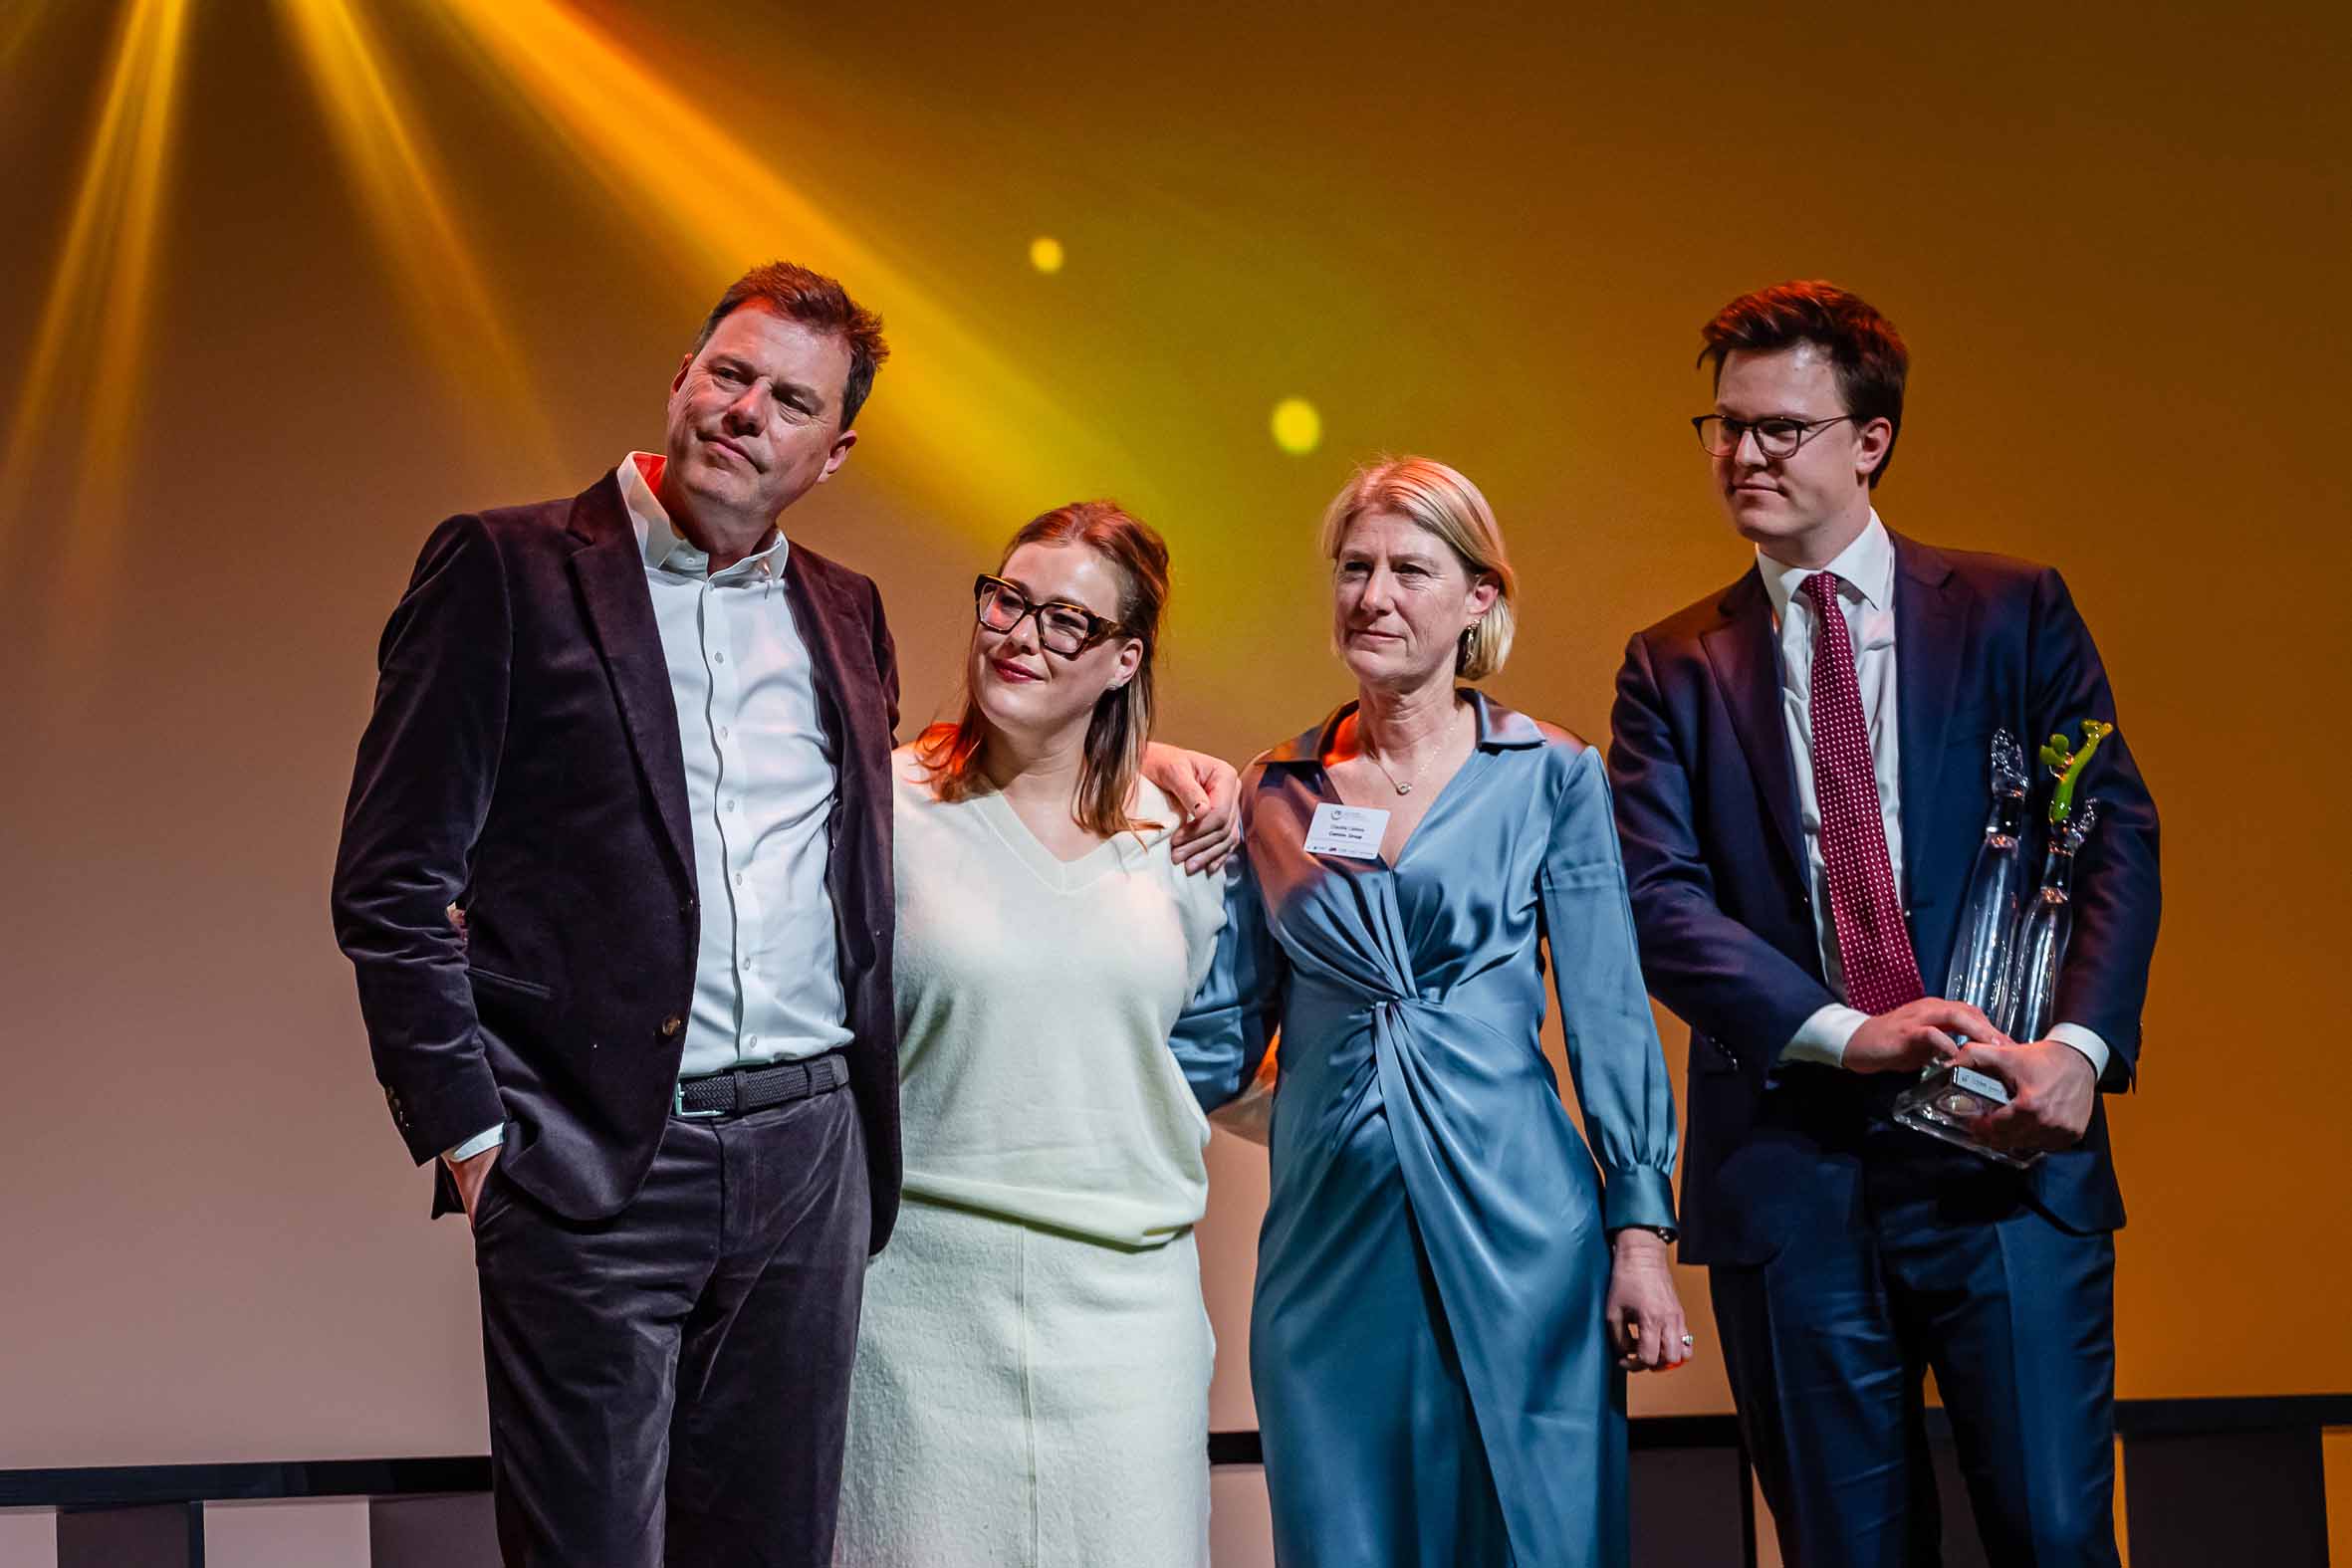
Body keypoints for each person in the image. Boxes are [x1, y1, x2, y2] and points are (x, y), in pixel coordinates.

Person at [330, 262, 1236, 1567]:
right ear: (682, 379)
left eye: (791, 400)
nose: (747, 411)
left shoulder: (844, 609)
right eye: (729, 373)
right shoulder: (507, 568)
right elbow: (393, 885)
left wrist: (1150, 757)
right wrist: (476, 1142)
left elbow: (942, 782)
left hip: (809, 1160)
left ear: (833, 451)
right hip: (596, 1161)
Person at [1607, 281, 2161, 1567]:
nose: (1743, 454)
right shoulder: (1670, 664)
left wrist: (2078, 1051)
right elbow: (1658, 899)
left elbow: (2110, 835)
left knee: (2055, 1537)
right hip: (1793, 1170)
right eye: (1725, 425)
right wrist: (1847, 1033)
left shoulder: (2013, 609)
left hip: (2005, 1152)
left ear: (1870, 439)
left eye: (1780, 428)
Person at [1176, 458, 1688, 1568]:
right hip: (1329, 1243)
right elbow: (1216, 1038)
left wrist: (1641, 1235)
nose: (1373, 596)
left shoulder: (1549, 774)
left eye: (1410, 570)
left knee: (1536, 1538)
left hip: (1525, 1231)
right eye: (1353, 568)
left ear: (1477, 598)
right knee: (1346, 1535)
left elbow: (1608, 1016)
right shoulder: (1274, 791)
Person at [835, 501, 1227, 1567]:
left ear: (1124, 660)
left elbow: (1215, 1050)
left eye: (1067, 621)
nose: (1020, 635)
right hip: (916, 1305)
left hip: (1127, 1319)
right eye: (1008, 600)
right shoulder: (881, 807)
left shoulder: (1184, 837)